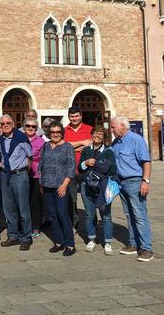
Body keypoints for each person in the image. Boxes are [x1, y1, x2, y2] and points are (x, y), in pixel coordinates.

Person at [110, 116, 154, 262]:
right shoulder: (116, 143)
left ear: (123, 126)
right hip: (121, 183)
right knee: (129, 215)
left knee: (139, 215)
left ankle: (146, 248)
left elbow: (146, 162)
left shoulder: (136, 139)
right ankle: (134, 243)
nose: (111, 129)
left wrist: (145, 181)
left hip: (135, 181)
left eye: (113, 127)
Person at [78, 126, 117, 255]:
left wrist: (99, 164)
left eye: (100, 134)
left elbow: (112, 170)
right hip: (86, 186)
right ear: (92, 134)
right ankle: (91, 239)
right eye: (95, 133)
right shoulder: (86, 150)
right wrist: (86, 163)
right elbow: (79, 168)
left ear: (104, 137)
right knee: (89, 215)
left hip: (102, 187)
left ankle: (107, 242)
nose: (98, 136)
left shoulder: (108, 152)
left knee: (105, 215)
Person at [39, 121, 76, 256]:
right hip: (47, 185)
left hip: (61, 186)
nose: (55, 134)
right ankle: (59, 242)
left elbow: (71, 168)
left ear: (62, 133)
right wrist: (41, 184)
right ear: (49, 133)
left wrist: (64, 184)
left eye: (58, 132)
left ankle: (70, 244)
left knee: (62, 213)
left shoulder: (67, 147)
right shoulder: (45, 146)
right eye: (53, 132)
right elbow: (41, 165)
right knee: (52, 215)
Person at [0, 114, 33, 251]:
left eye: (8, 123)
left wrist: (23, 172)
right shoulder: (0, 139)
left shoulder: (21, 138)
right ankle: (13, 235)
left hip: (19, 175)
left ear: (13, 124)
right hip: (5, 175)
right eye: (3, 123)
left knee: (23, 209)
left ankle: (26, 238)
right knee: (9, 208)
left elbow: (29, 156)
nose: (5, 125)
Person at [64, 106, 93, 230]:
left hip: (86, 170)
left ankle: (91, 226)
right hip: (70, 170)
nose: (74, 118)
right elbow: (64, 147)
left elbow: (91, 146)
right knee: (72, 201)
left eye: (76, 116)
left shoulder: (89, 129)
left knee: (89, 200)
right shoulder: (64, 130)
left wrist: (72, 148)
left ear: (81, 116)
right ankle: (74, 225)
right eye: (72, 116)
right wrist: (82, 143)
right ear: (69, 117)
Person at [24, 119, 45, 238]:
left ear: (36, 128)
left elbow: (44, 159)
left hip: (36, 174)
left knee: (34, 201)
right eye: (28, 125)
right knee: (23, 202)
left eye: (33, 126)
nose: (30, 128)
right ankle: (24, 225)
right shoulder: (20, 139)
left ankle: (36, 227)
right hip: (22, 174)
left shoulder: (41, 141)